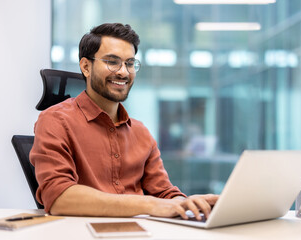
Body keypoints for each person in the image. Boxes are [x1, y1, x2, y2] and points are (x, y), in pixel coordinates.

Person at [30, 23, 218, 220]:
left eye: (129, 63)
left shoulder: (140, 132)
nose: (123, 72)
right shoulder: (55, 121)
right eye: (112, 62)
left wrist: (190, 204)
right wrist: (150, 204)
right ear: (86, 66)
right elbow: (59, 198)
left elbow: (164, 194)